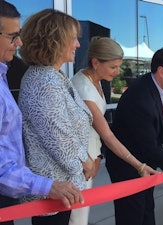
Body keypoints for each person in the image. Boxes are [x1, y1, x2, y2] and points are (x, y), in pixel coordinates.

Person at [105, 47, 163, 225]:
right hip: (128, 168)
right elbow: (148, 147)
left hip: (146, 163)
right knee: (132, 215)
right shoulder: (140, 99)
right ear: (162, 71)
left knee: (147, 209)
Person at [69, 37, 158, 225]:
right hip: (81, 159)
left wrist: (99, 155)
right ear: (95, 62)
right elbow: (107, 135)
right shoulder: (83, 87)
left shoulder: (96, 79)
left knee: (81, 214)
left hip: (92, 155)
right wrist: (139, 165)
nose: (118, 72)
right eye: (113, 67)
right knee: (77, 218)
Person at [17, 9, 92, 225]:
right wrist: (85, 162)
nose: (78, 44)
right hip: (51, 191)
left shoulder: (52, 75)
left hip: (61, 188)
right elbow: (59, 137)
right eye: (73, 39)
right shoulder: (43, 81)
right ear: (54, 41)